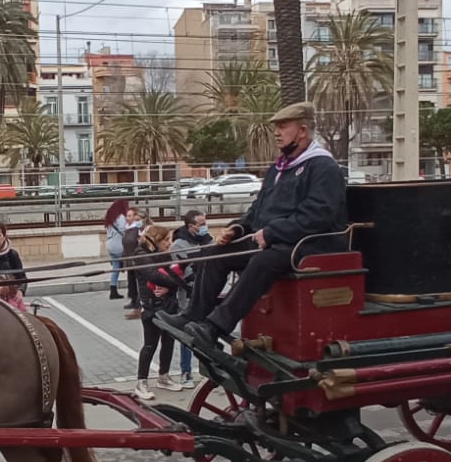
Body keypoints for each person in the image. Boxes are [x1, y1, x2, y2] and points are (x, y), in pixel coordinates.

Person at [166, 102, 347, 349]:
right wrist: (238, 228)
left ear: (302, 131)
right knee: (215, 253)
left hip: (311, 244)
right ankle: (192, 315)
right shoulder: (279, 168)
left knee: (263, 260)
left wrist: (272, 233)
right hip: (276, 240)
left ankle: (215, 326)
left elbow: (317, 217)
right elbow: (257, 209)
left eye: (283, 126)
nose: (276, 132)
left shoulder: (323, 167)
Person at [133, 223, 187, 400]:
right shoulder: (141, 254)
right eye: (166, 240)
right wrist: (176, 284)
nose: (169, 244)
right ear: (157, 240)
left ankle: (164, 376)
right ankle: (141, 382)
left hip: (168, 303)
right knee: (150, 344)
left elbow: (174, 274)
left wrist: (170, 288)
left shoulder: (164, 253)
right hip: (151, 305)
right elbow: (154, 275)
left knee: (168, 341)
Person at [171, 211, 213, 387]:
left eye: (205, 222)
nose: (204, 226)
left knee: (209, 331)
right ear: (191, 226)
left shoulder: (209, 241)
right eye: (200, 224)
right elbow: (180, 273)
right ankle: (186, 372)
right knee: (188, 332)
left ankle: (209, 369)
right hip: (188, 295)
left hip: (209, 292)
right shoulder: (178, 245)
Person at [103, 200, 131, 301]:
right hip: (119, 245)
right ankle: (132, 290)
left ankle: (113, 290)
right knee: (130, 266)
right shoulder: (120, 217)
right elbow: (124, 230)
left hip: (110, 245)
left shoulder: (110, 217)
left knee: (116, 268)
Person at [121, 207, 144, 319]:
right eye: (127, 216)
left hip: (136, 258)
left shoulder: (137, 229)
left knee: (138, 282)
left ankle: (138, 304)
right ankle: (133, 299)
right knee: (131, 282)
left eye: (130, 216)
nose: (127, 218)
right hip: (128, 258)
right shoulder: (127, 229)